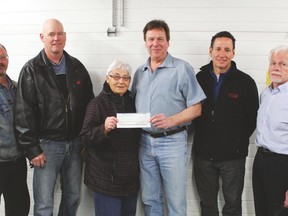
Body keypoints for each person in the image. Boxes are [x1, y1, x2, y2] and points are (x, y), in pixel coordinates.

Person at [14, 19, 94, 216]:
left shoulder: (77, 67)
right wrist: (32, 150)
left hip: (75, 146)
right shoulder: (31, 70)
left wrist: (85, 139)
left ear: (65, 37)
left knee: (73, 197)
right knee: (43, 204)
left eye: (60, 33)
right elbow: (23, 113)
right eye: (51, 34)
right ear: (42, 38)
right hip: (46, 147)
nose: (56, 38)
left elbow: (89, 106)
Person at [131, 19, 206, 216]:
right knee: (150, 199)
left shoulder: (182, 69)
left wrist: (171, 120)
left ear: (168, 42)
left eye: (160, 39)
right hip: (144, 143)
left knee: (175, 201)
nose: (155, 43)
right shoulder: (140, 72)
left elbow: (197, 108)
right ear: (145, 42)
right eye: (151, 39)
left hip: (172, 142)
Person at [192, 31, 259, 216]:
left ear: (233, 53)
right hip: (204, 155)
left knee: (232, 205)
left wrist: (235, 142)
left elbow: (251, 119)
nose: (222, 54)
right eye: (218, 48)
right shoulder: (199, 79)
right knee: (207, 205)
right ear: (210, 51)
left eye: (227, 49)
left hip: (233, 157)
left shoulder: (245, 82)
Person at [80, 59, 141, 216]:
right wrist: (103, 129)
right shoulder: (97, 104)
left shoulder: (134, 103)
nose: (121, 81)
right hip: (106, 179)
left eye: (126, 78)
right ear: (108, 78)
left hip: (130, 178)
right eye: (116, 76)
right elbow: (85, 138)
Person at [252, 45, 288, 216]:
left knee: (278, 212)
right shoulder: (266, 94)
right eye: (273, 63)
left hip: (282, 164)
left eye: (283, 64)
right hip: (260, 160)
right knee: (261, 210)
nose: (276, 67)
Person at [0, 44, 30, 216]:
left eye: (3, 57)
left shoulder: (17, 87)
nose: (0, 61)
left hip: (17, 162)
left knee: (19, 210)